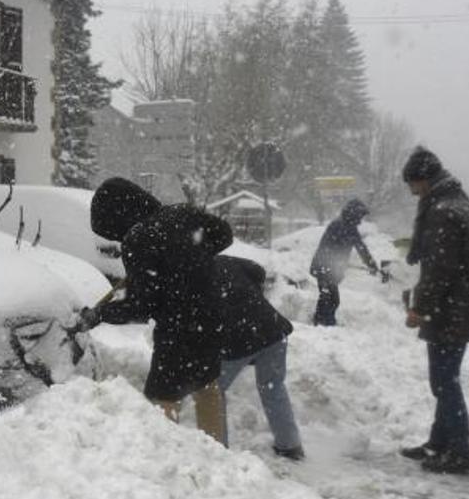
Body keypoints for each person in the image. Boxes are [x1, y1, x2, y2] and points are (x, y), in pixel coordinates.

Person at [79, 177, 233, 444]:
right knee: (206, 386)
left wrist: (101, 314)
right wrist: (190, 257)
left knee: (163, 396)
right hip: (212, 316)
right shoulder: (183, 213)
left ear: (119, 216)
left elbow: (141, 305)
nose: (117, 236)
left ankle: (165, 457)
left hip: (177, 326)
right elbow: (224, 235)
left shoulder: (138, 239)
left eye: (112, 229)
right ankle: (218, 450)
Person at [398, 146, 469, 476]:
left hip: (451, 309)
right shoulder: (458, 203)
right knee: (446, 378)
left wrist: (420, 308)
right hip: (459, 306)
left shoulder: (444, 210)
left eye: (413, 184)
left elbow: (440, 268)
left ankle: (461, 452)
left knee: (444, 381)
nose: (411, 190)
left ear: (424, 179)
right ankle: (440, 441)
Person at [216, 254, 304, 460]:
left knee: (212, 390)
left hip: (240, 339)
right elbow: (257, 270)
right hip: (273, 329)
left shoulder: (192, 272)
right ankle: (290, 446)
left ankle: (218, 452)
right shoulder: (225, 260)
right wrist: (252, 296)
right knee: (273, 386)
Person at [309, 198, 380, 326]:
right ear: (354, 214)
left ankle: (322, 322)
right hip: (324, 267)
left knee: (329, 297)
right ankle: (324, 324)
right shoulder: (341, 226)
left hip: (328, 268)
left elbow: (359, 247)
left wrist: (371, 264)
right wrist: (371, 264)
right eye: (360, 216)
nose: (360, 220)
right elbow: (359, 247)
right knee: (330, 298)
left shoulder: (347, 226)